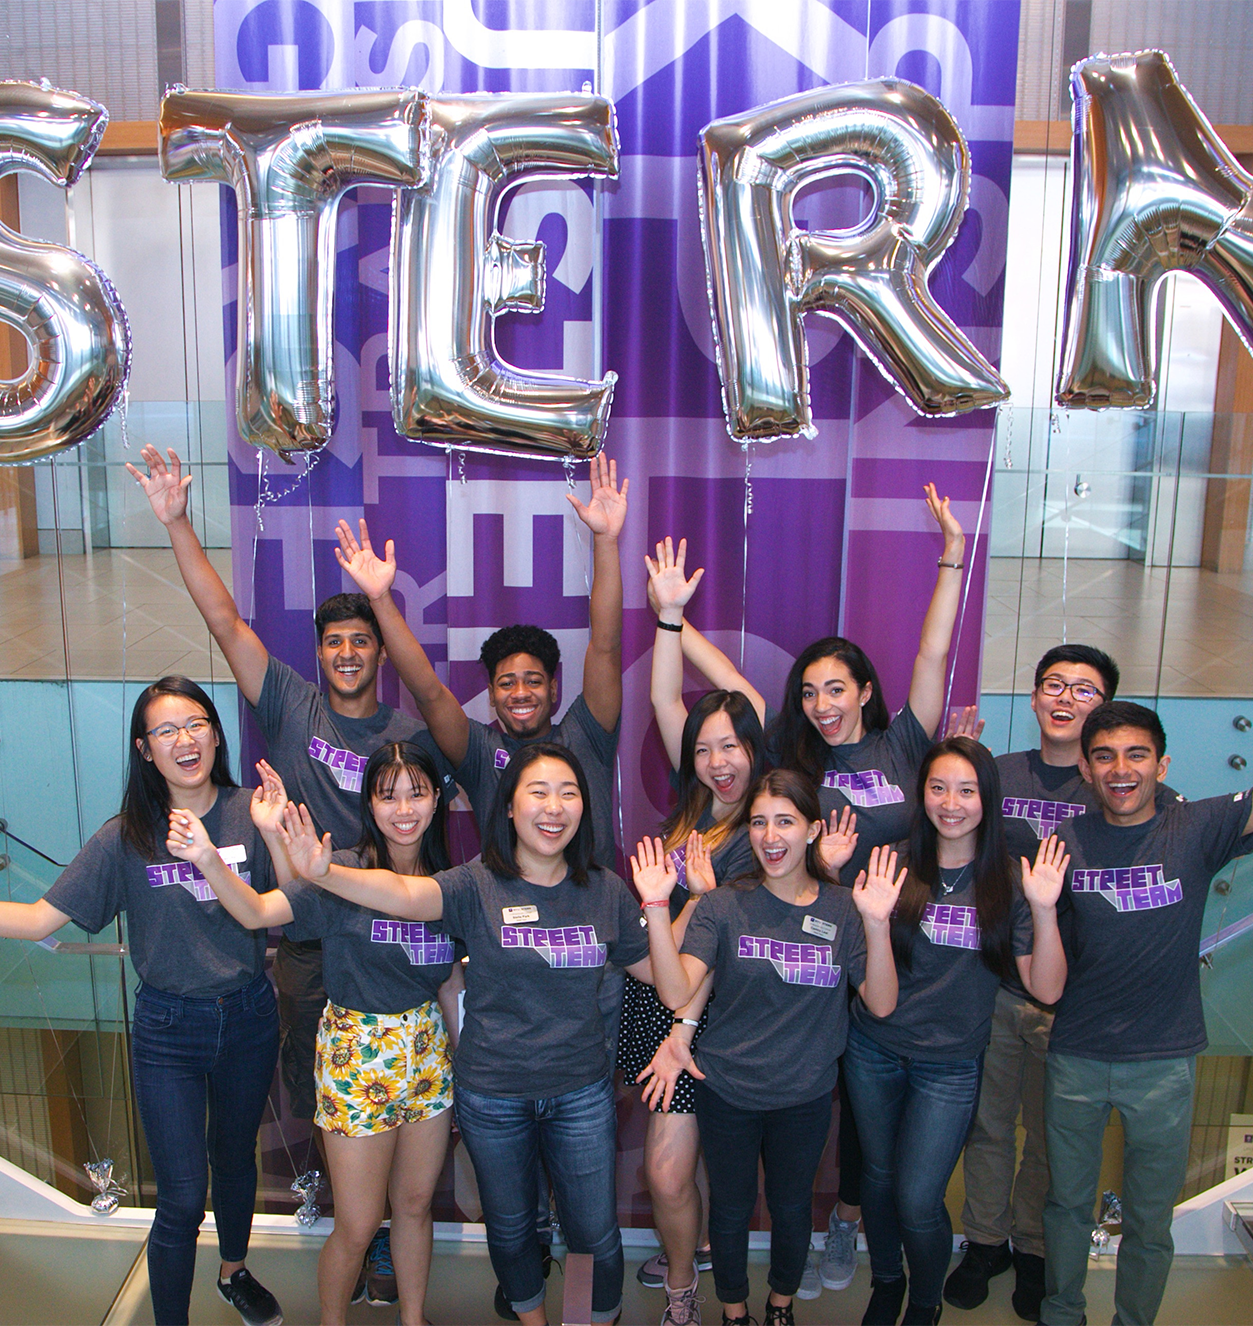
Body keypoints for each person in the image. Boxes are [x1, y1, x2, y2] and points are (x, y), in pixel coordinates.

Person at [127, 444, 453, 1300]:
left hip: (392, 934)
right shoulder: (291, 704)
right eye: (335, 640)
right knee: (334, 1103)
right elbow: (228, 623)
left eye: (362, 640)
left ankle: (385, 1238)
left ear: (379, 652)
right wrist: (176, 522)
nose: (348, 652)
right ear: (319, 653)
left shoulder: (409, 742)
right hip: (312, 941)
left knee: (414, 1103)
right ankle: (359, 1228)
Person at [276, 744, 654, 1326]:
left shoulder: (605, 890)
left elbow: (665, 973)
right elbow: (402, 896)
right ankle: (531, 1320)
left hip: (580, 1090)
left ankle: (587, 1321)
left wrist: (669, 903)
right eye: (537, 792)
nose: (553, 807)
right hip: (491, 1090)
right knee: (507, 1228)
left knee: (592, 1233)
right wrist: (322, 870)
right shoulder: (473, 884)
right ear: (507, 808)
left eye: (568, 792)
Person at [0, 679, 282, 1326]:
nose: (185, 740)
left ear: (216, 732)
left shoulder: (250, 812)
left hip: (247, 1016)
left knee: (235, 1158)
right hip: (168, 1031)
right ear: (144, 750)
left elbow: (296, 905)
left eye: (196, 723)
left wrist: (280, 834)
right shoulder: (126, 835)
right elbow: (42, 919)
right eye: (166, 731)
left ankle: (233, 1272)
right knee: (181, 1198)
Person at [167, 746, 461, 1326]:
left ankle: (413, 1317)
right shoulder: (338, 867)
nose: (404, 808)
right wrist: (207, 856)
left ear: (436, 800)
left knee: (416, 1205)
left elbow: (450, 977)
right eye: (388, 794)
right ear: (369, 803)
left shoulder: (452, 881)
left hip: (429, 1054)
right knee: (355, 1225)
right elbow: (257, 913)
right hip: (358, 1055)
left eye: (417, 792)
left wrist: (463, 1054)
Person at [635, 768, 902, 1326]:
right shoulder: (722, 905)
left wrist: (876, 925)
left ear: (812, 829)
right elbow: (677, 989)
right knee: (730, 1213)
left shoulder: (842, 908)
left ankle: (779, 1307)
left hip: (803, 1097)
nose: (770, 835)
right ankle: (734, 1312)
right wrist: (659, 908)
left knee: (790, 1210)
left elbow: (880, 1003)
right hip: (726, 1090)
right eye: (759, 822)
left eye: (785, 821)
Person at [839, 737, 1068, 1326]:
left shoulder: (1008, 882)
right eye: (938, 787)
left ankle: (925, 1298)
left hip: (950, 1064)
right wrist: (874, 921)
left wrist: (1044, 910)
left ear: (987, 800)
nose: (951, 803)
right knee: (879, 1179)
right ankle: (887, 1282)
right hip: (874, 1049)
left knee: (919, 1198)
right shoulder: (889, 860)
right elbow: (877, 994)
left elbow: (1046, 990)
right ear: (922, 794)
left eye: (967, 790)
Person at [1039, 701, 1253, 1326]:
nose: (1120, 769)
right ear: (1084, 767)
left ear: (1162, 763)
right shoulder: (1063, 843)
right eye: (1104, 756)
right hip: (1076, 1055)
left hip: (1165, 1062)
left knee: (1149, 1220)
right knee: (1067, 1206)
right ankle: (1061, 1312)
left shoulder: (1196, 826)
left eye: (1136, 755)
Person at [622, 536, 774, 1325]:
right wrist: (669, 623)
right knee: (669, 1172)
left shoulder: (765, 825)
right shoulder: (694, 812)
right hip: (670, 1006)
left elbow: (686, 962)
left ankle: (701, 1267)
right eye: (705, 747)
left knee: (693, 1170)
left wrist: (680, 625)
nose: (718, 760)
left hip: (716, 1014)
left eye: (734, 745)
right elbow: (660, 704)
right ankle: (685, 1281)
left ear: (756, 749)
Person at [946, 644, 1120, 1319]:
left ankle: (1033, 1247)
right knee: (987, 1126)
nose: (1064, 698)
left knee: (1051, 1132)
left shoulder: (1111, 785)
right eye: (1053, 684)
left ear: (1102, 708)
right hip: (992, 982)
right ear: (1033, 696)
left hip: (1076, 996)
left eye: (1083, 689)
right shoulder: (999, 773)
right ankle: (984, 1241)